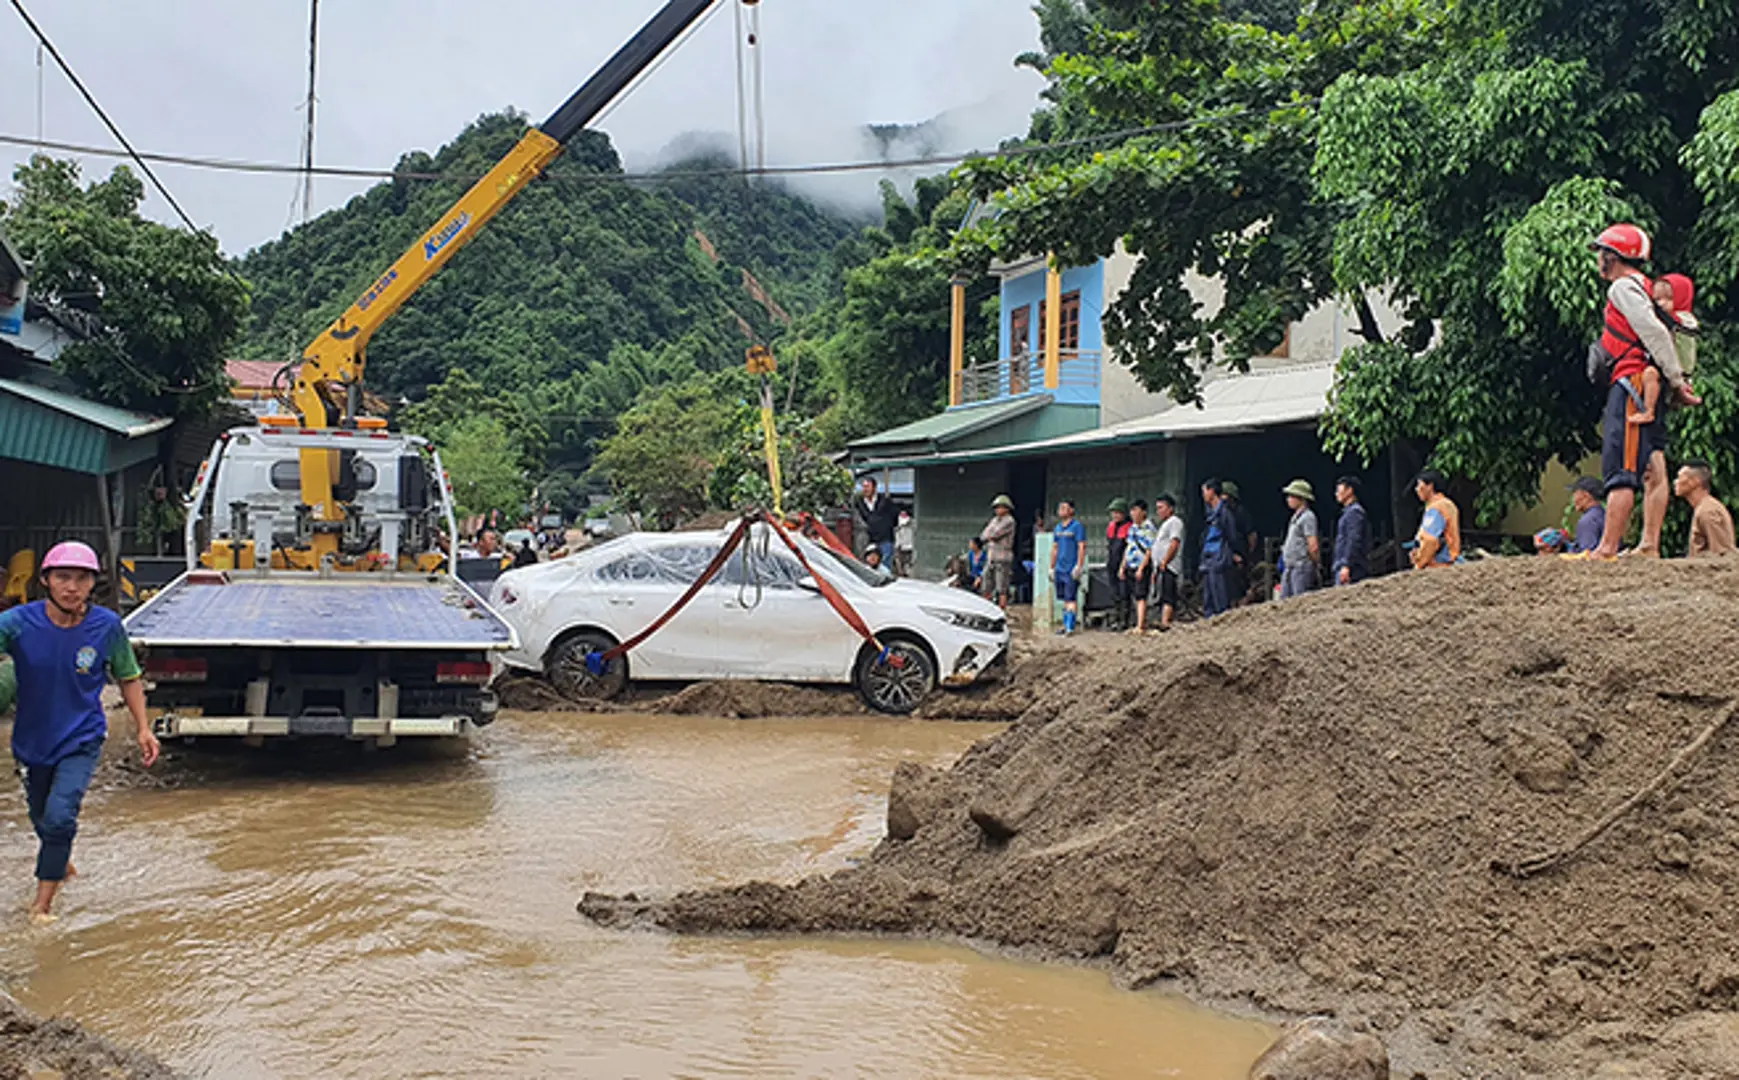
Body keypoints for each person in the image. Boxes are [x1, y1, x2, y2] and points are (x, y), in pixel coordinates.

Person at [0, 542, 158, 925]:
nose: (72, 587)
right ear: (46, 582)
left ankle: (41, 906)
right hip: (31, 740)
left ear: (93, 584)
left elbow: (128, 676)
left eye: (82, 578)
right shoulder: (17, 623)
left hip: (81, 737)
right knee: (41, 816)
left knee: (59, 817)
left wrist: (143, 728)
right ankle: (61, 863)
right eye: (63, 578)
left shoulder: (105, 627)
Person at [1587, 224, 1698, 560]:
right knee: (1653, 466)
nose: (1599, 261)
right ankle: (1649, 544)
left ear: (1612, 256)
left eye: (1601, 254)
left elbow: (1652, 332)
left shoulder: (1622, 287)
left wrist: (1677, 380)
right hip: (1650, 383)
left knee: (1620, 464)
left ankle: (1607, 547)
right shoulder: (1646, 287)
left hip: (1632, 382)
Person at [1676, 461, 1736, 558]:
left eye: (1680, 477)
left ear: (1695, 481)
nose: (1676, 482)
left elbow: (1721, 555)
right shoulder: (1703, 507)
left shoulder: (1708, 511)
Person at [1200, 479, 1237, 617]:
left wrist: (1232, 553)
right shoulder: (1210, 513)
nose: (1203, 495)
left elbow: (1231, 535)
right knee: (1208, 594)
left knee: (1219, 593)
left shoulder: (1224, 512)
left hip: (1219, 555)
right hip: (1209, 556)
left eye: (1204, 491)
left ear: (1211, 491)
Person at [1049, 500, 1087, 634]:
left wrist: (1079, 565)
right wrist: (1051, 567)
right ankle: (1065, 625)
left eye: (1064, 507)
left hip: (1071, 568)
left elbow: (1081, 546)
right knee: (1064, 598)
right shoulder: (1058, 528)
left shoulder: (1077, 527)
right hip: (1059, 568)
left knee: (1071, 597)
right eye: (1060, 507)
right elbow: (1055, 548)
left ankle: (1070, 627)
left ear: (1071, 510)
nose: (1061, 510)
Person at [1411, 469, 1461, 569]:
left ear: (1430, 486)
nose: (1416, 489)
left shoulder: (1437, 508)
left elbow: (1430, 540)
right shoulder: (1447, 504)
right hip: (1451, 562)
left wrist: (1420, 562)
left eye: (1419, 485)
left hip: (1438, 564)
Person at [1279, 480, 1321, 598]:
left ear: (1301, 498)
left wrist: (1315, 564)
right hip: (1290, 565)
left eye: (1292, 496)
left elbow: (1313, 544)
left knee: (1299, 599)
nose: (1288, 499)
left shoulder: (1308, 517)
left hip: (1301, 566)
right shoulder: (1296, 517)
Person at [1122, 500, 1158, 633]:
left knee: (1141, 595)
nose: (1133, 513)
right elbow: (1128, 547)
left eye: (1136, 510)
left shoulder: (1148, 528)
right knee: (1133, 595)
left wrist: (1141, 568)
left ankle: (1140, 625)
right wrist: (1123, 566)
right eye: (1132, 510)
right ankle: (1138, 622)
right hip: (1130, 564)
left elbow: (1149, 550)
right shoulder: (1132, 528)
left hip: (1141, 565)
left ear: (1143, 512)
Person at [1221, 480, 1258, 606]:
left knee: (1237, 584)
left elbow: (1251, 534)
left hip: (1239, 553)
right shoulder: (1219, 514)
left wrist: (1248, 553)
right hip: (1223, 555)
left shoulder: (1240, 513)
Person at [1151, 494, 1185, 631]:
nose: (1158, 511)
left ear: (1170, 508)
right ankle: (1163, 620)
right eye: (1157, 508)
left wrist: (1165, 560)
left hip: (1169, 565)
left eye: (1161, 507)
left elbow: (1174, 543)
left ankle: (1166, 622)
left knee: (1168, 594)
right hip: (1161, 565)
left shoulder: (1175, 522)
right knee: (1162, 593)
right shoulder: (1164, 524)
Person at [1332, 476, 1371, 585]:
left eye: (1339, 490)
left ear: (1349, 490)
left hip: (1352, 568)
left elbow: (1353, 540)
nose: (1336, 494)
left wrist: (1346, 564)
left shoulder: (1354, 513)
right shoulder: (1348, 512)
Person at [980, 495, 1017, 610]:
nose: (997, 510)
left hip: (1003, 557)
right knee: (986, 583)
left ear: (1007, 508)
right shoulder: (994, 520)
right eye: (996, 507)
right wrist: (989, 536)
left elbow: (995, 534)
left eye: (1000, 507)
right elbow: (984, 535)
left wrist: (990, 536)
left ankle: (1002, 610)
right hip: (991, 556)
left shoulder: (1009, 521)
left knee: (1002, 587)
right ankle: (986, 609)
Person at [852, 477, 899, 568]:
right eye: (864, 487)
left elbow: (895, 515)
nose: (865, 489)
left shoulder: (885, 501)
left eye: (868, 487)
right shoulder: (860, 503)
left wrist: (886, 526)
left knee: (885, 565)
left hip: (885, 538)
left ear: (874, 488)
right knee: (869, 565)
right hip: (869, 539)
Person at [1105, 499, 1133, 631]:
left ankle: (1124, 620)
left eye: (1117, 512)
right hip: (1112, 563)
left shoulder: (1129, 527)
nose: (1115, 515)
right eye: (1113, 512)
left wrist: (1123, 566)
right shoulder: (1111, 526)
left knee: (1124, 594)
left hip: (1124, 564)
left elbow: (1128, 549)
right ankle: (1116, 619)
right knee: (1114, 593)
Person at [1568, 476, 1606, 554]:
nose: (1573, 498)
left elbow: (1586, 553)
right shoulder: (1604, 514)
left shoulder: (1588, 520)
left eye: (1575, 493)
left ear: (1586, 495)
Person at [894, 511, 916, 578]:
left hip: (909, 547)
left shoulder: (912, 524)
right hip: (900, 547)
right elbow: (897, 535)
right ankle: (901, 573)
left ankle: (907, 573)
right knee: (899, 562)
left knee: (908, 562)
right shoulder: (897, 524)